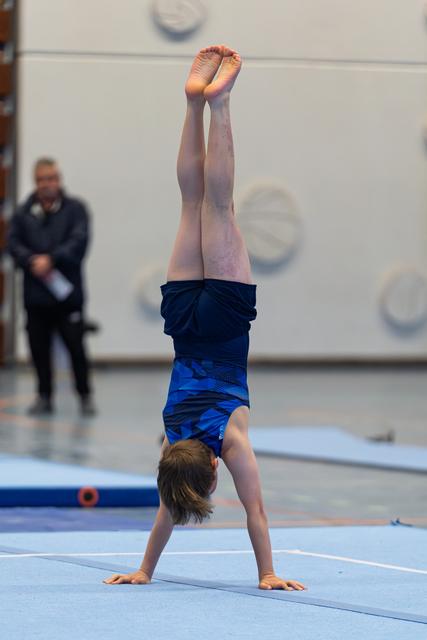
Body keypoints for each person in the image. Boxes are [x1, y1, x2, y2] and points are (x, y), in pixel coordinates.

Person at [104, 46, 306, 591]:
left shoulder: (229, 445)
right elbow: (167, 509)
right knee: (191, 203)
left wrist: (268, 573)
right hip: (181, 321)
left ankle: (219, 104)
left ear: (212, 470)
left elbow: (255, 513)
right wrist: (143, 569)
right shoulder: (173, 444)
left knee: (219, 205)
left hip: (225, 318)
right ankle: (192, 104)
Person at [7, 158, 96, 416]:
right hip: (35, 296)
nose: (48, 184)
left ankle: (85, 396)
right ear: (35, 182)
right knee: (38, 349)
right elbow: (13, 244)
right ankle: (44, 396)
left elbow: (79, 241)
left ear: (59, 179)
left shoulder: (75, 210)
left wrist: (52, 259)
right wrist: (31, 260)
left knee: (76, 348)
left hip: (68, 296)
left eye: (52, 178)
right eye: (42, 179)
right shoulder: (23, 213)